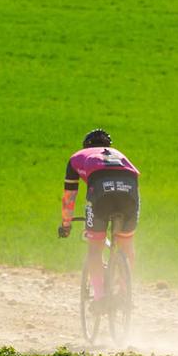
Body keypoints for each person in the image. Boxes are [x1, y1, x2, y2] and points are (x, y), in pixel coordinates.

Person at [58, 128, 139, 302]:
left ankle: (100, 297)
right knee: (127, 244)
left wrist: (66, 224)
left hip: (101, 194)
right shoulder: (118, 154)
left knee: (95, 248)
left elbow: (69, 197)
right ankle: (125, 293)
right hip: (130, 192)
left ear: (85, 145)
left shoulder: (77, 157)